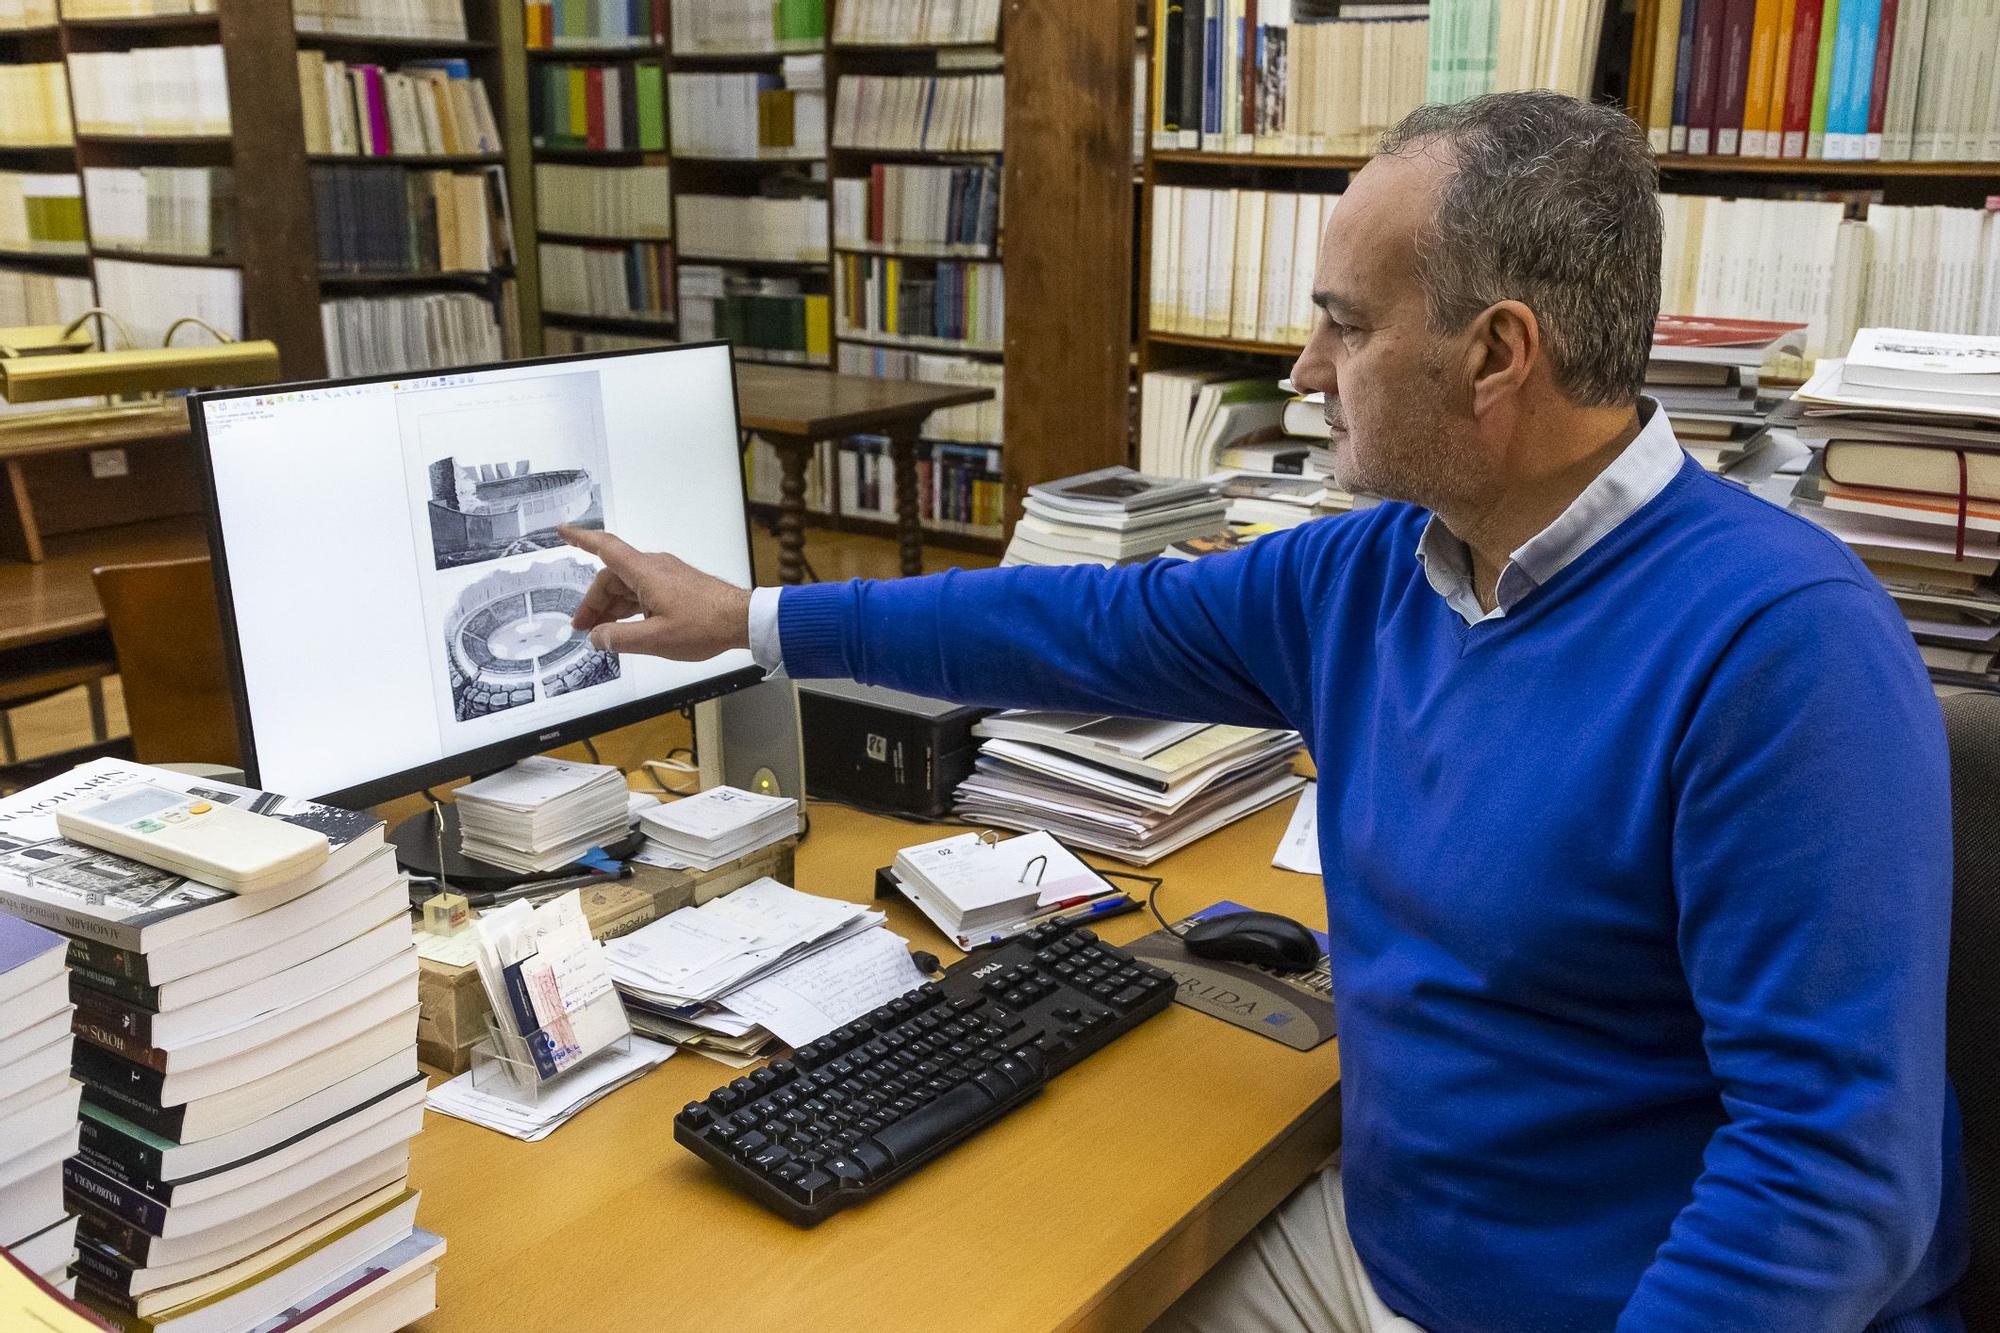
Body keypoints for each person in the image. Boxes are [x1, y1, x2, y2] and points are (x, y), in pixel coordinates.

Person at [562, 91, 1965, 1332]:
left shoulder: (1783, 649)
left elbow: (1827, 1178)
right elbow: (1077, 621)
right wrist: (750, 617)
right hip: (1378, 1257)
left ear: (1496, 356)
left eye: (1344, 324)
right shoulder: (1379, 572)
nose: (1301, 370)